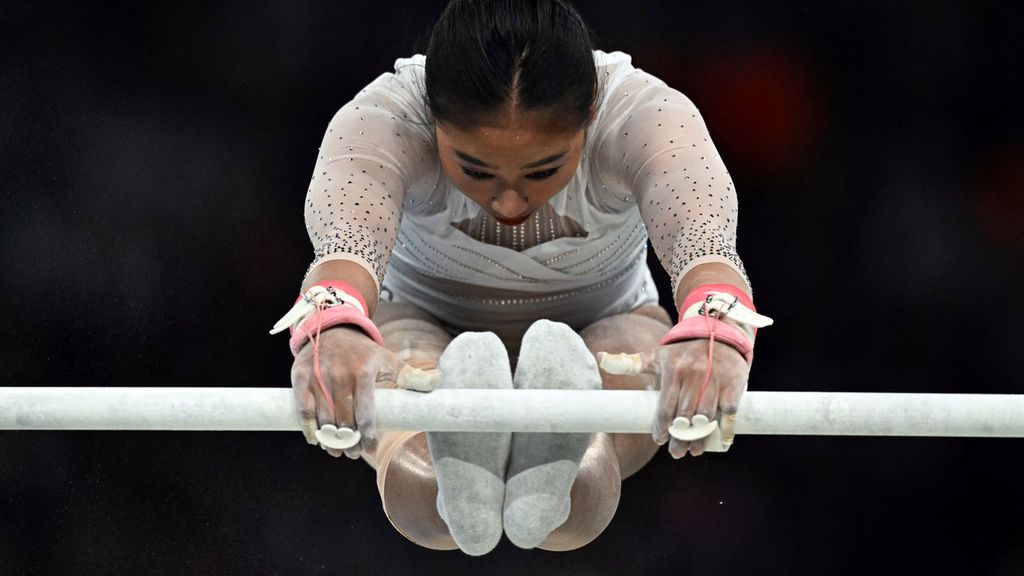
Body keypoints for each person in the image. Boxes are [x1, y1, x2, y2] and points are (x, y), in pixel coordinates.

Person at [271, 0, 770, 556]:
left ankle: (530, 464)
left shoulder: (644, 116)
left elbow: (704, 248)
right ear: (432, 119)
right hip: (420, 318)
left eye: (542, 169)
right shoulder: (384, 119)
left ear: (592, 114)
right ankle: (457, 479)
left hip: (606, 327)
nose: (509, 199)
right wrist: (336, 330)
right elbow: (344, 253)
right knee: (408, 385)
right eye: (476, 168)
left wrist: (711, 330)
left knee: (576, 494)